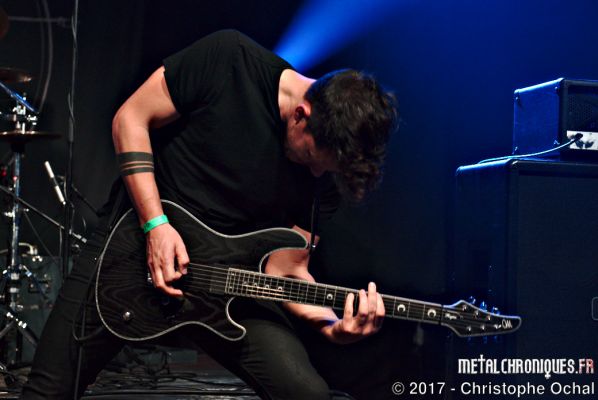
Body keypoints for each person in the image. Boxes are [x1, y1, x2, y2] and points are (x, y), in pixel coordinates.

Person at [22, 30, 397, 399]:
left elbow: (287, 270)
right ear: (301, 115)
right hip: (132, 248)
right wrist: (156, 225)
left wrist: (332, 326)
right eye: (313, 158)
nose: (316, 173)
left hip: (227, 289)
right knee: (48, 390)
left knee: (306, 394)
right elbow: (131, 118)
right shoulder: (228, 60)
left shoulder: (325, 176)